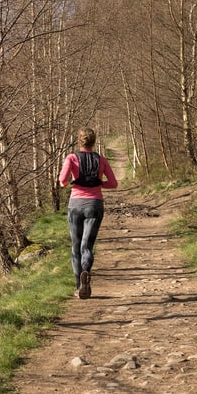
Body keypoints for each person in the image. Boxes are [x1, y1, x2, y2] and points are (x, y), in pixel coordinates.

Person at [58, 128, 118, 299]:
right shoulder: (101, 160)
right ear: (94, 142)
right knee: (87, 246)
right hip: (95, 205)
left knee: (75, 246)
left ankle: (79, 286)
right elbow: (113, 183)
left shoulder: (71, 158)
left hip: (75, 205)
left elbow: (62, 181)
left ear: (79, 141)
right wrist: (99, 184)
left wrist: (70, 182)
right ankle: (86, 270)